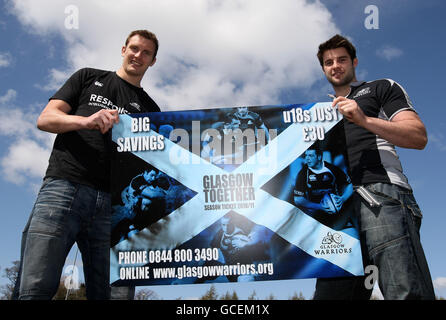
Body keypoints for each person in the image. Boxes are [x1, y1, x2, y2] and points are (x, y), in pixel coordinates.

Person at [13, 29, 161, 300]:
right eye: (134, 48)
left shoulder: (152, 110)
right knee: (34, 288)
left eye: (146, 52)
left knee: (116, 295)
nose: (138, 55)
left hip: (117, 209)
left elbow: (152, 164)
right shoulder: (88, 77)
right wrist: (85, 121)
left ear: (152, 61)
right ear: (123, 49)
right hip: (64, 189)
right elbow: (45, 119)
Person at [313, 34, 435, 300]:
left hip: (381, 197)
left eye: (342, 59)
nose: (335, 66)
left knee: (404, 292)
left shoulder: (381, 87)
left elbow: (418, 137)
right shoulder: (315, 115)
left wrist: (363, 119)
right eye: (329, 62)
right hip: (337, 215)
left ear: (354, 62)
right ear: (323, 69)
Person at [294, 144, 354, 227]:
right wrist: (320, 206)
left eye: (310, 156)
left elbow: (350, 185)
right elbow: (298, 199)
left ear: (319, 157)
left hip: (337, 213)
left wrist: (343, 198)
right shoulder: (303, 173)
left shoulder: (332, 169)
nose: (307, 158)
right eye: (306, 155)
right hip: (315, 213)